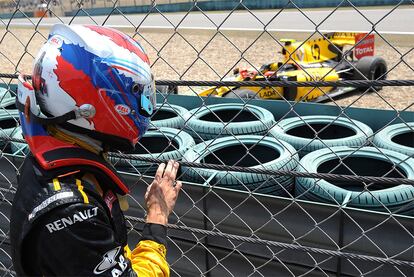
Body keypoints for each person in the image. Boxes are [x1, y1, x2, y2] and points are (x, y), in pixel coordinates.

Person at [10, 24, 182, 276]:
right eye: (138, 95)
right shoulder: (74, 212)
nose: (144, 106)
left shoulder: (53, 157)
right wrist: (157, 216)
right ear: (93, 104)